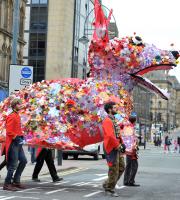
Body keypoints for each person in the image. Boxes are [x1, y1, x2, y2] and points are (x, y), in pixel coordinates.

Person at [102, 102, 126, 197]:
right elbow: (110, 136)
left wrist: (122, 143)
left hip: (117, 146)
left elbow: (117, 134)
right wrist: (118, 146)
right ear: (109, 109)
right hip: (111, 147)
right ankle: (109, 189)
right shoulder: (107, 120)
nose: (117, 109)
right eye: (115, 108)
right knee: (114, 169)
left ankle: (107, 184)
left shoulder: (113, 119)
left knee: (121, 167)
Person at [3, 98, 27, 191]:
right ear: (14, 105)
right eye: (19, 104)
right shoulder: (12, 116)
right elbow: (9, 131)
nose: (20, 106)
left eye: (20, 104)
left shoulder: (17, 115)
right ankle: (7, 184)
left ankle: (16, 181)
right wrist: (17, 137)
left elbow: (17, 128)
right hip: (13, 142)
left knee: (24, 161)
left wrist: (22, 136)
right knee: (13, 165)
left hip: (18, 141)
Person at [123, 114, 140, 187]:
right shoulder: (130, 127)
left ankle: (126, 181)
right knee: (134, 166)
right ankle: (131, 181)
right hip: (131, 150)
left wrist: (135, 136)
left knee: (128, 166)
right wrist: (134, 144)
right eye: (136, 120)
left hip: (128, 149)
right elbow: (129, 139)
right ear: (134, 121)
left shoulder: (128, 127)